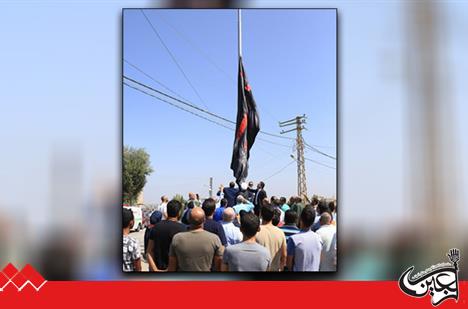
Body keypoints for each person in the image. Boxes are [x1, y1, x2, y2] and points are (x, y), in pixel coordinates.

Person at [168, 207, 224, 271]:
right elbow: (218, 267)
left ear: (188, 220)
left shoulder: (177, 238)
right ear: (204, 220)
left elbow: (171, 267)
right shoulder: (214, 239)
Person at [147, 200, 186, 271]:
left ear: (167, 211)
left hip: (158, 269)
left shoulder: (156, 227)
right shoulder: (183, 229)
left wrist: (155, 269)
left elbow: (149, 251)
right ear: (179, 213)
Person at [287, 206, 323, 271]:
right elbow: (319, 260)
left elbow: (289, 264)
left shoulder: (293, 239)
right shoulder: (319, 238)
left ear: (301, 219)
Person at [255, 203, 287, 271]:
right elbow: (284, 255)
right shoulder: (280, 233)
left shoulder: (256, 231)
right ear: (273, 216)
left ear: (260, 215)